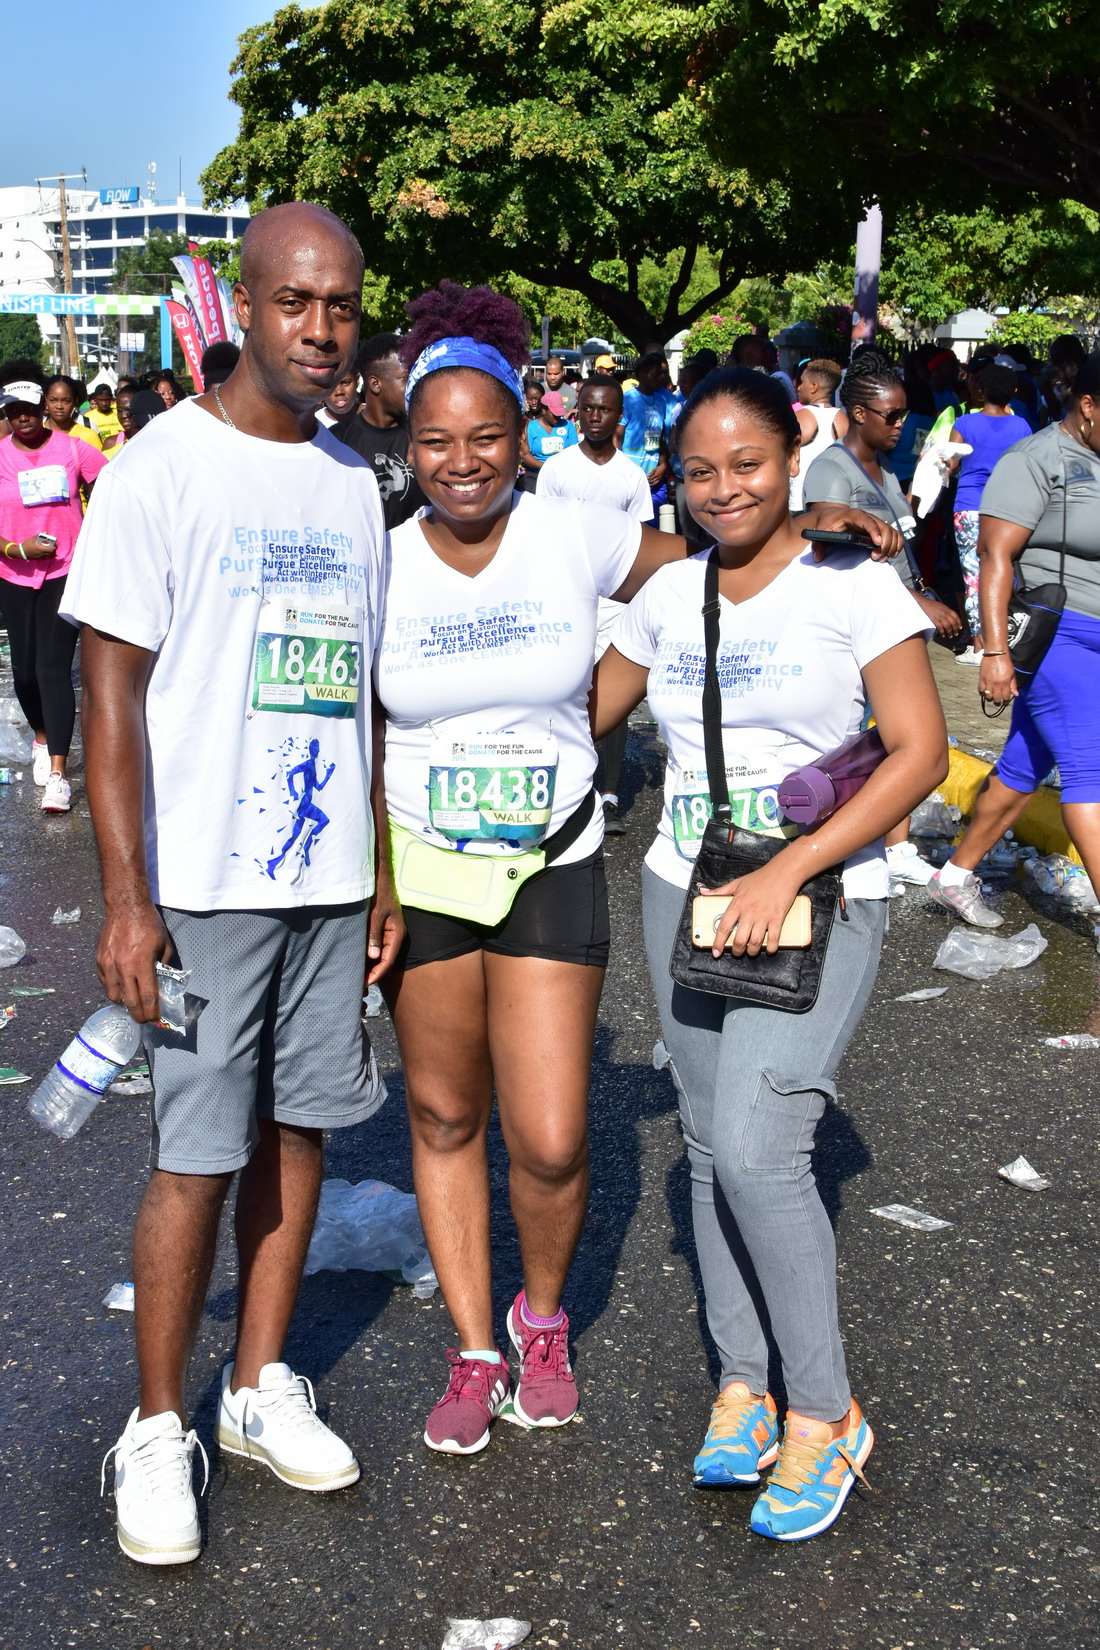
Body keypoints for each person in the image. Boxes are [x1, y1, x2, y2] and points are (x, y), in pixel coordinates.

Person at [374, 280, 901, 1460]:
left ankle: (541, 1324)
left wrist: (811, 521)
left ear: (521, 435)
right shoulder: (379, 557)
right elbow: (354, 720)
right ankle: (474, 1347)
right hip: (422, 861)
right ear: (407, 444)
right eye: (436, 442)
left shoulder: (574, 529)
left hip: (552, 856)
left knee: (552, 1137)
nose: (461, 462)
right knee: (444, 1113)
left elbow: (715, 555)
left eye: (485, 437)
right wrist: (372, 874)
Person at [62, 202, 400, 1567]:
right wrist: (126, 896)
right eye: (295, 303)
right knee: (195, 1152)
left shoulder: (351, 483)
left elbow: (361, 693)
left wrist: (376, 866)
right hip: (203, 881)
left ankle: (257, 1385)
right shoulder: (160, 469)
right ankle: (158, 1424)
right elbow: (108, 693)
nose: (322, 330)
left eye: (342, 307)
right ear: (244, 309)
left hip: (326, 877)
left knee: (301, 1128)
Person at [590, 366, 948, 1542]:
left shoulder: (853, 586)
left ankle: (824, 1413)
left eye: (746, 463)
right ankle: (742, 1385)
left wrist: (789, 868)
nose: (723, 488)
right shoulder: (666, 594)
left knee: (758, 1149)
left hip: (818, 889)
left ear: (791, 455)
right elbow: (582, 708)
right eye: (698, 470)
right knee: (705, 1145)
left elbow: (917, 752)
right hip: (681, 886)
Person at [929, 357, 1100, 928]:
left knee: (1026, 763)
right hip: (1059, 636)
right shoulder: (1036, 458)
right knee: (1090, 772)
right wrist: (996, 651)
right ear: (1088, 405)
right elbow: (994, 556)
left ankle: (954, 876)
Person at [803, 350, 961, 886]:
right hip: (858, 624)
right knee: (869, 739)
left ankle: (893, 843)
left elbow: (898, 532)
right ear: (859, 413)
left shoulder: (883, 465)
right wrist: (917, 602)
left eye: (903, 414)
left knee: (890, 736)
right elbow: (838, 551)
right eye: (891, 416)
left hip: (895, 619)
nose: (899, 425)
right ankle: (855, 840)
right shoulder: (832, 469)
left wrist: (930, 481)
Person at [537, 372, 655, 834]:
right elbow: (542, 533)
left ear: (619, 416)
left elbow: (642, 541)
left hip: (615, 605)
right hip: (567, 598)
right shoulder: (557, 470)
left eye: (604, 409)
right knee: (566, 688)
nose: (594, 416)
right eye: (587, 408)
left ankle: (608, 792)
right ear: (577, 413)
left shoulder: (631, 476)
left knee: (610, 693)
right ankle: (568, 787)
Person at [0, 366, 107, 811]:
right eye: (13, 411)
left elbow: (112, 488)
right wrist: (16, 548)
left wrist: (96, 536)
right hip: (13, 572)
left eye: (29, 409)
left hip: (65, 571)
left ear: (44, 408)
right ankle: (42, 737)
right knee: (24, 673)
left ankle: (59, 777)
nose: (22, 417)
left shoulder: (72, 449)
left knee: (52, 668)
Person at [948, 364, 1032, 654]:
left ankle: (978, 644)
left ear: (981, 390)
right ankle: (1004, 640)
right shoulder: (1022, 426)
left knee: (973, 576)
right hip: (1007, 508)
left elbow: (950, 464)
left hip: (968, 507)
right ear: (1014, 391)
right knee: (1004, 570)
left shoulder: (964, 424)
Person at [333, 332, 427, 528]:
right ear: (375, 384)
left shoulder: (426, 437)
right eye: (406, 378)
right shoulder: (337, 441)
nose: (414, 385)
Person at [789, 359, 846, 510]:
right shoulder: (844, 420)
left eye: (802, 382)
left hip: (798, 504)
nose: (798, 387)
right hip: (833, 501)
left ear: (814, 387)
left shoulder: (799, 417)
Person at [616, 351, 670, 503]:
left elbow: (661, 436)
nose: (661, 377)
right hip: (630, 477)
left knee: (658, 516)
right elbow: (616, 437)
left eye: (662, 373)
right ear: (642, 374)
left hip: (654, 478)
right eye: (656, 374)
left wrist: (663, 464)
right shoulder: (627, 400)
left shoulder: (661, 401)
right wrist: (623, 468)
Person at [520, 374, 578, 481]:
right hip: (536, 476)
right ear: (544, 409)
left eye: (559, 413)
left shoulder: (568, 425)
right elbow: (525, 454)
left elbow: (575, 452)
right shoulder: (531, 427)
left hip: (563, 475)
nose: (558, 416)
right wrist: (548, 469)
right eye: (554, 413)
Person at [43, 376, 103, 454]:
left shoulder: (88, 436)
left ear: (75, 401)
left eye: (66, 401)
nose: (59, 406)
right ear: (45, 400)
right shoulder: (35, 434)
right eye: (53, 400)